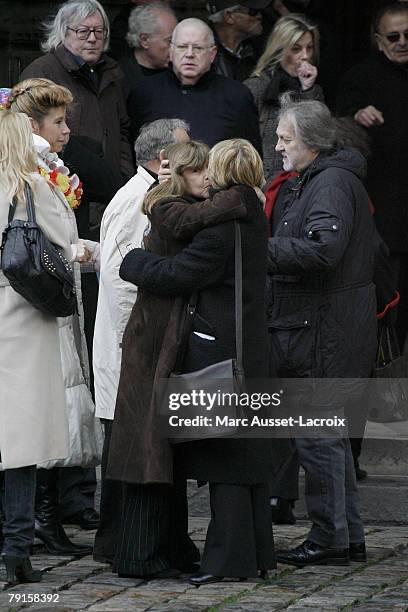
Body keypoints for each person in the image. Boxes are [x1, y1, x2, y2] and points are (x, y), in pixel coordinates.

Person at [109, 138, 275, 583]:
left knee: (227, 462)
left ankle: (228, 562)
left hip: (220, 353)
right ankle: (254, 554)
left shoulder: (222, 228)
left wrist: (134, 261)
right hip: (250, 347)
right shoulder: (251, 213)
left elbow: (178, 274)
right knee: (246, 460)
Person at [267, 96, 377, 567]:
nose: (277, 148)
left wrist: (257, 251)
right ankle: (346, 536)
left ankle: (330, 538)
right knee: (325, 437)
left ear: (311, 143)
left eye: (285, 139)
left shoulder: (329, 182)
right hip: (320, 325)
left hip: (321, 329)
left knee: (318, 437)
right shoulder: (317, 179)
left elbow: (322, 251)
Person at [8, 78, 102, 555]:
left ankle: (38, 524)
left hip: (44, 310)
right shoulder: (29, 174)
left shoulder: (44, 170)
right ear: (34, 127)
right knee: (35, 420)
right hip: (33, 313)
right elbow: (40, 245)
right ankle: (29, 530)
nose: (67, 130)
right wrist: (89, 254)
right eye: (59, 121)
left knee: (42, 418)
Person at [93, 117, 190, 565]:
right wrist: (140, 340)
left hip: (131, 341)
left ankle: (121, 542)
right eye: (187, 153)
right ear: (163, 159)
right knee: (130, 449)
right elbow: (124, 274)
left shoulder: (144, 194)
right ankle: (120, 543)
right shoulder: (140, 200)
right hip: (131, 341)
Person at [0, 110, 71, 583]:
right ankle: (17, 547)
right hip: (23, 321)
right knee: (20, 445)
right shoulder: (31, 187)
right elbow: (63, 242)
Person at [336, 1, 408, 353]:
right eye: (393, 36)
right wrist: (355, 114)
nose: (401, 42)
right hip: (387, 219)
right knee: (389, 309)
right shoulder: (360, 78)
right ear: (379, 40)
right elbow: (338, 131)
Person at [20, 0, 134, 187]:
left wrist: (124, 178)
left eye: (99, 31)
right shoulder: (42, 73)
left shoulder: (113, 74)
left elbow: (122, 131)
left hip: (109, 189)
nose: (92, 39)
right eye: (83, 32)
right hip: (63, 188)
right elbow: (29, 137)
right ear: (64, 32)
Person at [127, 18, 262, 151]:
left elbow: (250, 158)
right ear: (171, 51)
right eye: (182, 47)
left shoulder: (237, 96)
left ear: (212, 54)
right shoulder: (145, 92)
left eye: (198, 48)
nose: (189, 54)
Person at [244, 13, 323, 181]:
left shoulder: (313, 90)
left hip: (303, 181)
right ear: (280, 49)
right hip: (264, 181)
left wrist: (307, 89)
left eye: (309, 48)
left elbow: (318, 137)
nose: (305, 56)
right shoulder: (256, 87)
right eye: (296, 48)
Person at [118, 2, 177, 103]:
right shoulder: (120, 77)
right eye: (170, 41)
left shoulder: (179, 70)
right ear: (144, 40)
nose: (176, 48)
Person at [206, 0, 269, 81]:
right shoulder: (203, 55)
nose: (259, 16)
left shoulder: (259, 48)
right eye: (253, 11)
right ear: (229, 17)